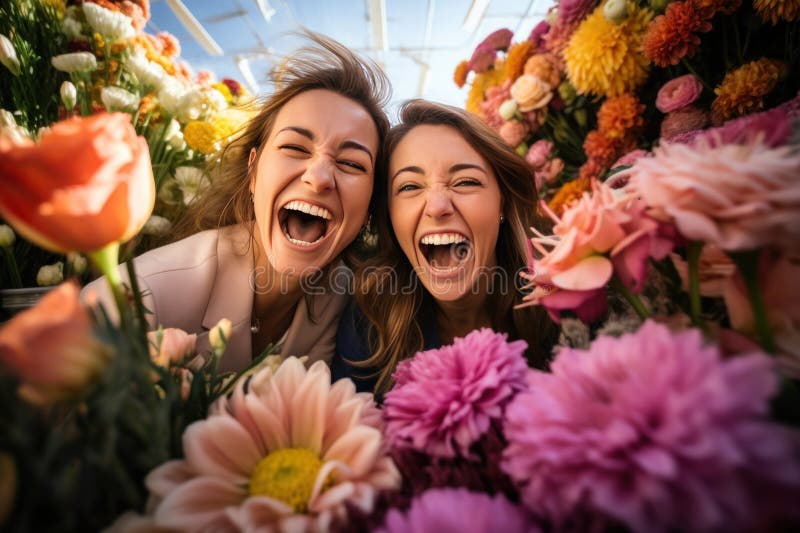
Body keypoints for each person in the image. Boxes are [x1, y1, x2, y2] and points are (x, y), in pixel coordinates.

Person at [84, 34, 390, 372]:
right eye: (296, 148)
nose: (318, 178)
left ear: (370, 208)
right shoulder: (138, 298)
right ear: (253, 170)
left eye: (351, 163)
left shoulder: (342, 298)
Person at [332, 99, 556, 393]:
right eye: (410, 187)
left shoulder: (564, 298)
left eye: (465, 182)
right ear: (390, 216)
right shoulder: (368, 321)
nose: (437, 207)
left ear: (503, 201)